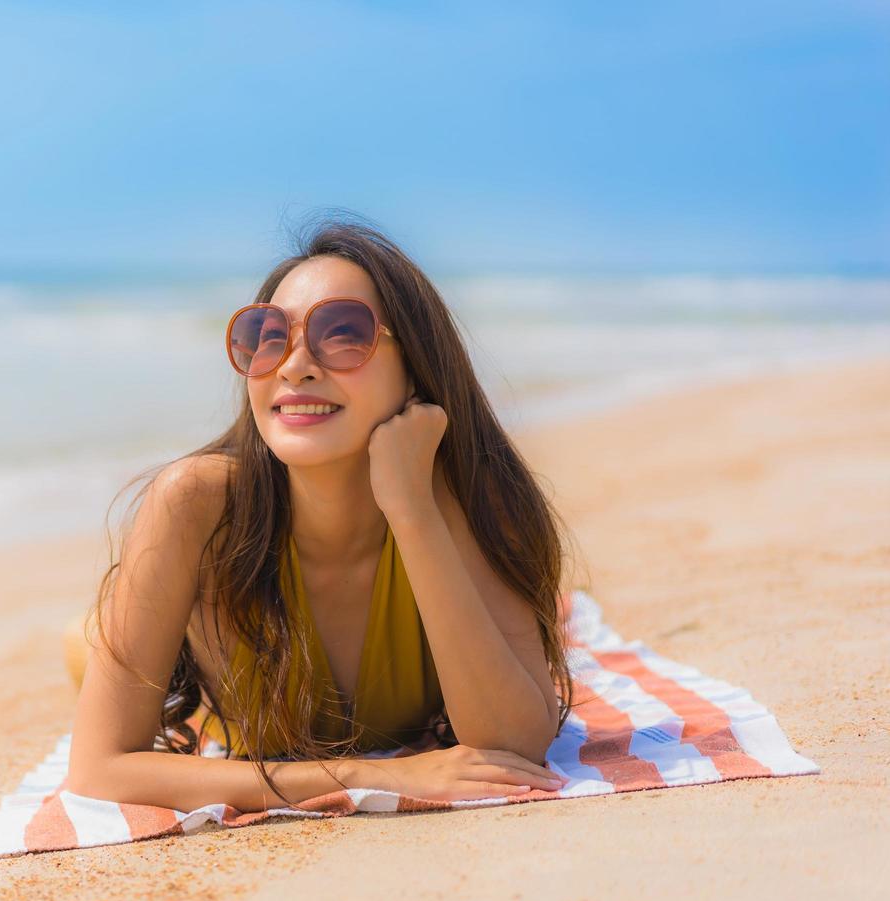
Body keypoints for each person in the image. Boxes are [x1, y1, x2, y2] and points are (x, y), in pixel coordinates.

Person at [63, 214, 577, 813]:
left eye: (342, 333)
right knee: (85, 641)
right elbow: (99, 769)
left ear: (415, 364)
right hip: (142, 655)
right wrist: (376, 776)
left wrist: (411, 508)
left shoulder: (459, 496)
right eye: (266, 336)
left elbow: (513, 747)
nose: (294, 365)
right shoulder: (195, 505)